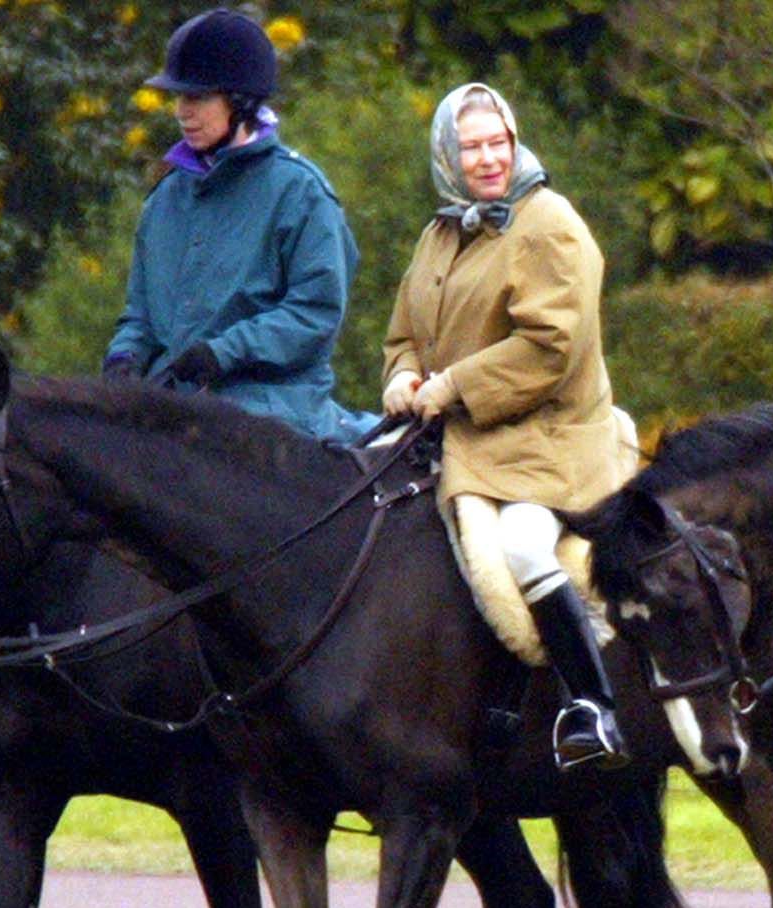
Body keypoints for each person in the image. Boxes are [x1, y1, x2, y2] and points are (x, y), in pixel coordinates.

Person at [381, 83, 629, 771]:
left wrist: (451, 386)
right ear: (447, 155)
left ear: (515, 143)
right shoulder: (442, 232)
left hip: (549, 438)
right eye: (471, 146)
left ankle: (593, 709)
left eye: (498, 143)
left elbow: (550, 347)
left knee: (521, 548)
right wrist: (401, 378)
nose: (488, 159)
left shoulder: (549, 223)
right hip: (462, 434)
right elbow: (404, 335)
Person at [103, 7, 376, 443]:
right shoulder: (165, 199)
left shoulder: (300, 193)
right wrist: (124, 357)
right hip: (174, 406)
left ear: (240, 101)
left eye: (196, 98)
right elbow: (140, 313)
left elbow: (315, 313)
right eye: (178, 98)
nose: (181, 112)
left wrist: (223, 352)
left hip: (271, 409)